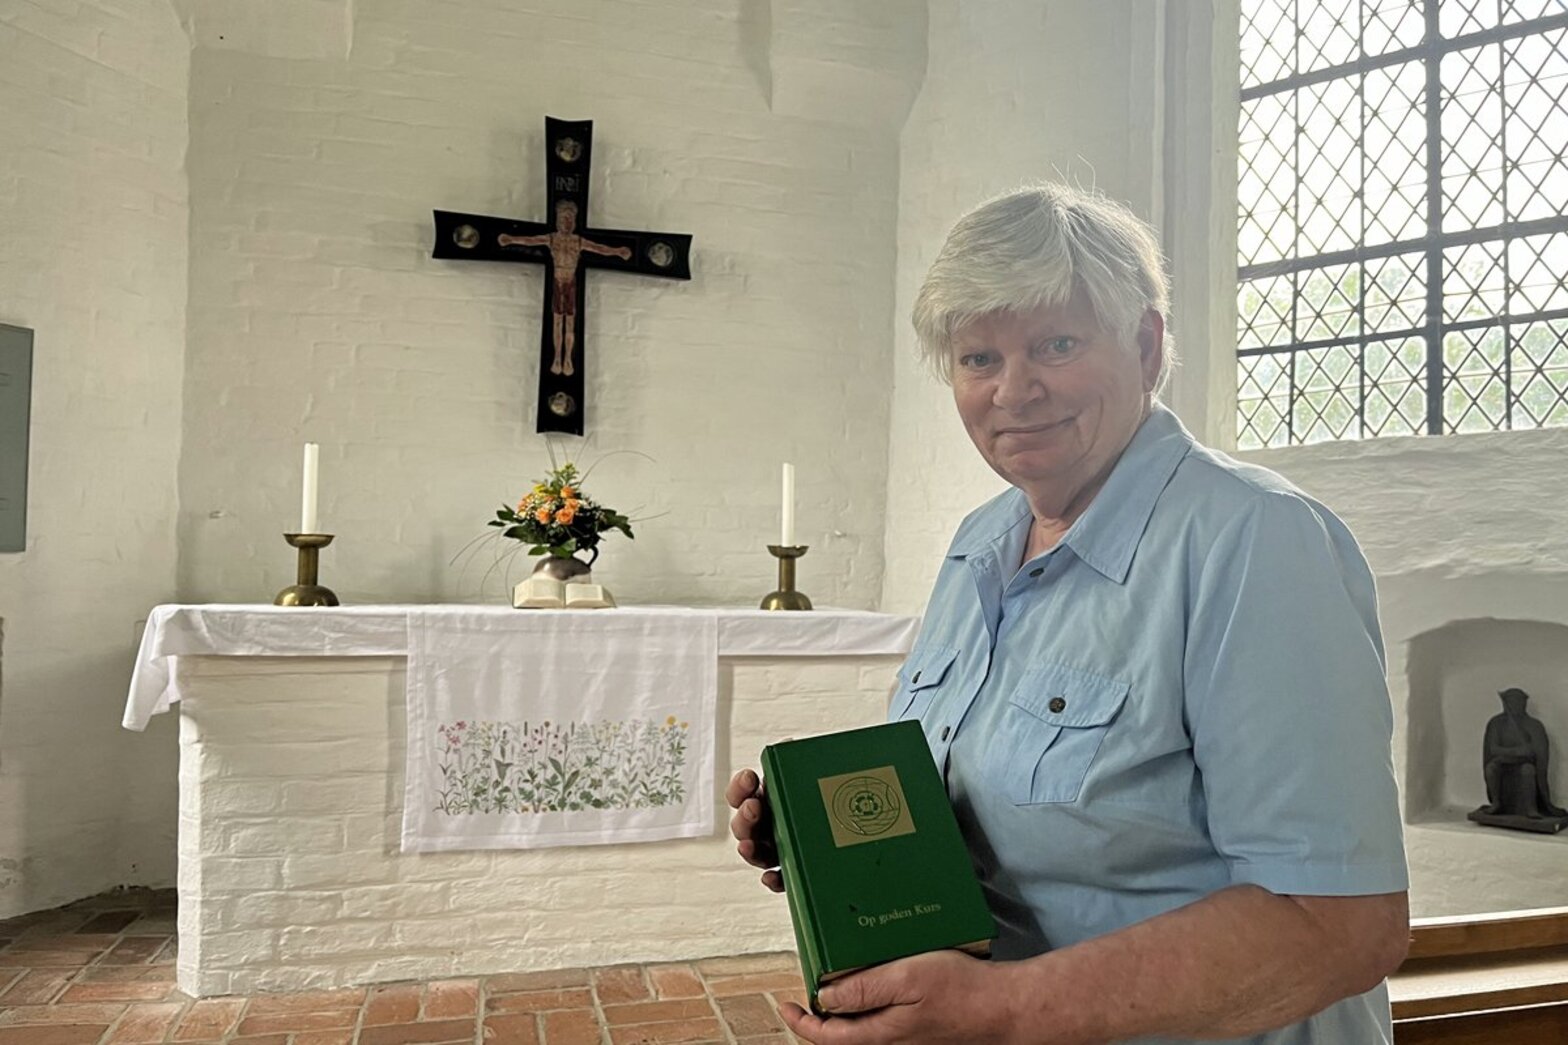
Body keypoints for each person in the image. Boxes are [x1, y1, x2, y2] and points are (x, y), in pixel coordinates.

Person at [727, 184, 1410, 1044]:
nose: (1015, 390)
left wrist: (1004, 1009)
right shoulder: (983, 540)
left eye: (1055, 343)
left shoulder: (1256, 543)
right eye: (979, 358)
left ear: (1147, 344)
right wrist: (831, 843)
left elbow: (1341, 925)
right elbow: (987, 812)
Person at [498, 200, 631, 377]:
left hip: (571, 283)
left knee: (570, 323)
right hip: (558, 282)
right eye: (563, 219)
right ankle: (557, 357)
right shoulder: (552, 238)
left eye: (569, 220)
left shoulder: (578, 241)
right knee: (557, 322)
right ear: (557, 221)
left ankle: (568, 357)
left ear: (574, 222)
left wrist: (618, 251)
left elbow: (599, 248)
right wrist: (511, 239)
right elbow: (530, 240)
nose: (566, 223)